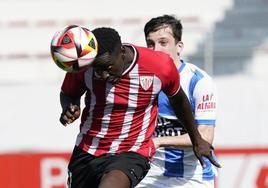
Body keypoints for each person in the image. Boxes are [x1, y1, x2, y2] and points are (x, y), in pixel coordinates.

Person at [59, 26, 220, 188]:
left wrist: (196, 139)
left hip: (131, 152)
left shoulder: (158, 66)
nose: (103, 75)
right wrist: (70, 106)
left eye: (108, 68)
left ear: (122, 52)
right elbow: (68, 93)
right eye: (98, 70)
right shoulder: (84, 64)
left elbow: (178, 99)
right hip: (87, 150)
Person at [137, 15, 219, 188]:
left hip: (193, 176)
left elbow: (205, 137)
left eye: (163, 42)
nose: (156, 49)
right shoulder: (139, 80)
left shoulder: (199, 81)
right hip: (150, 175)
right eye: (150, 44)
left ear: (179, 46)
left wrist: (159, 141)